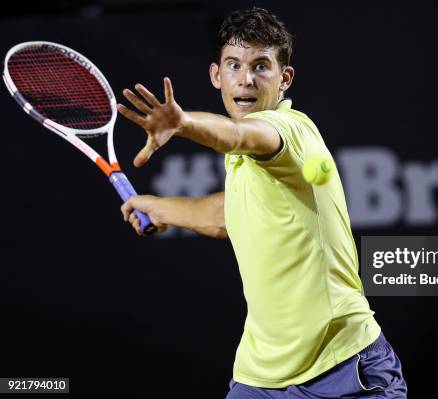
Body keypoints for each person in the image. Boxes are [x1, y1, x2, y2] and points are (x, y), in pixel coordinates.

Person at [118, 7, 407, 398]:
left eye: (261, 66)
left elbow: (238, 135)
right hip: (260, 377)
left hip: (344, 368)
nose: (246, 79)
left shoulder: (288, 129)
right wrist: (159, 206)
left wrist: (183, 123)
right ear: (216, 75)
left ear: (284, 79)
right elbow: (229, 214)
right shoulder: (242, 160)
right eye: (234, 65)